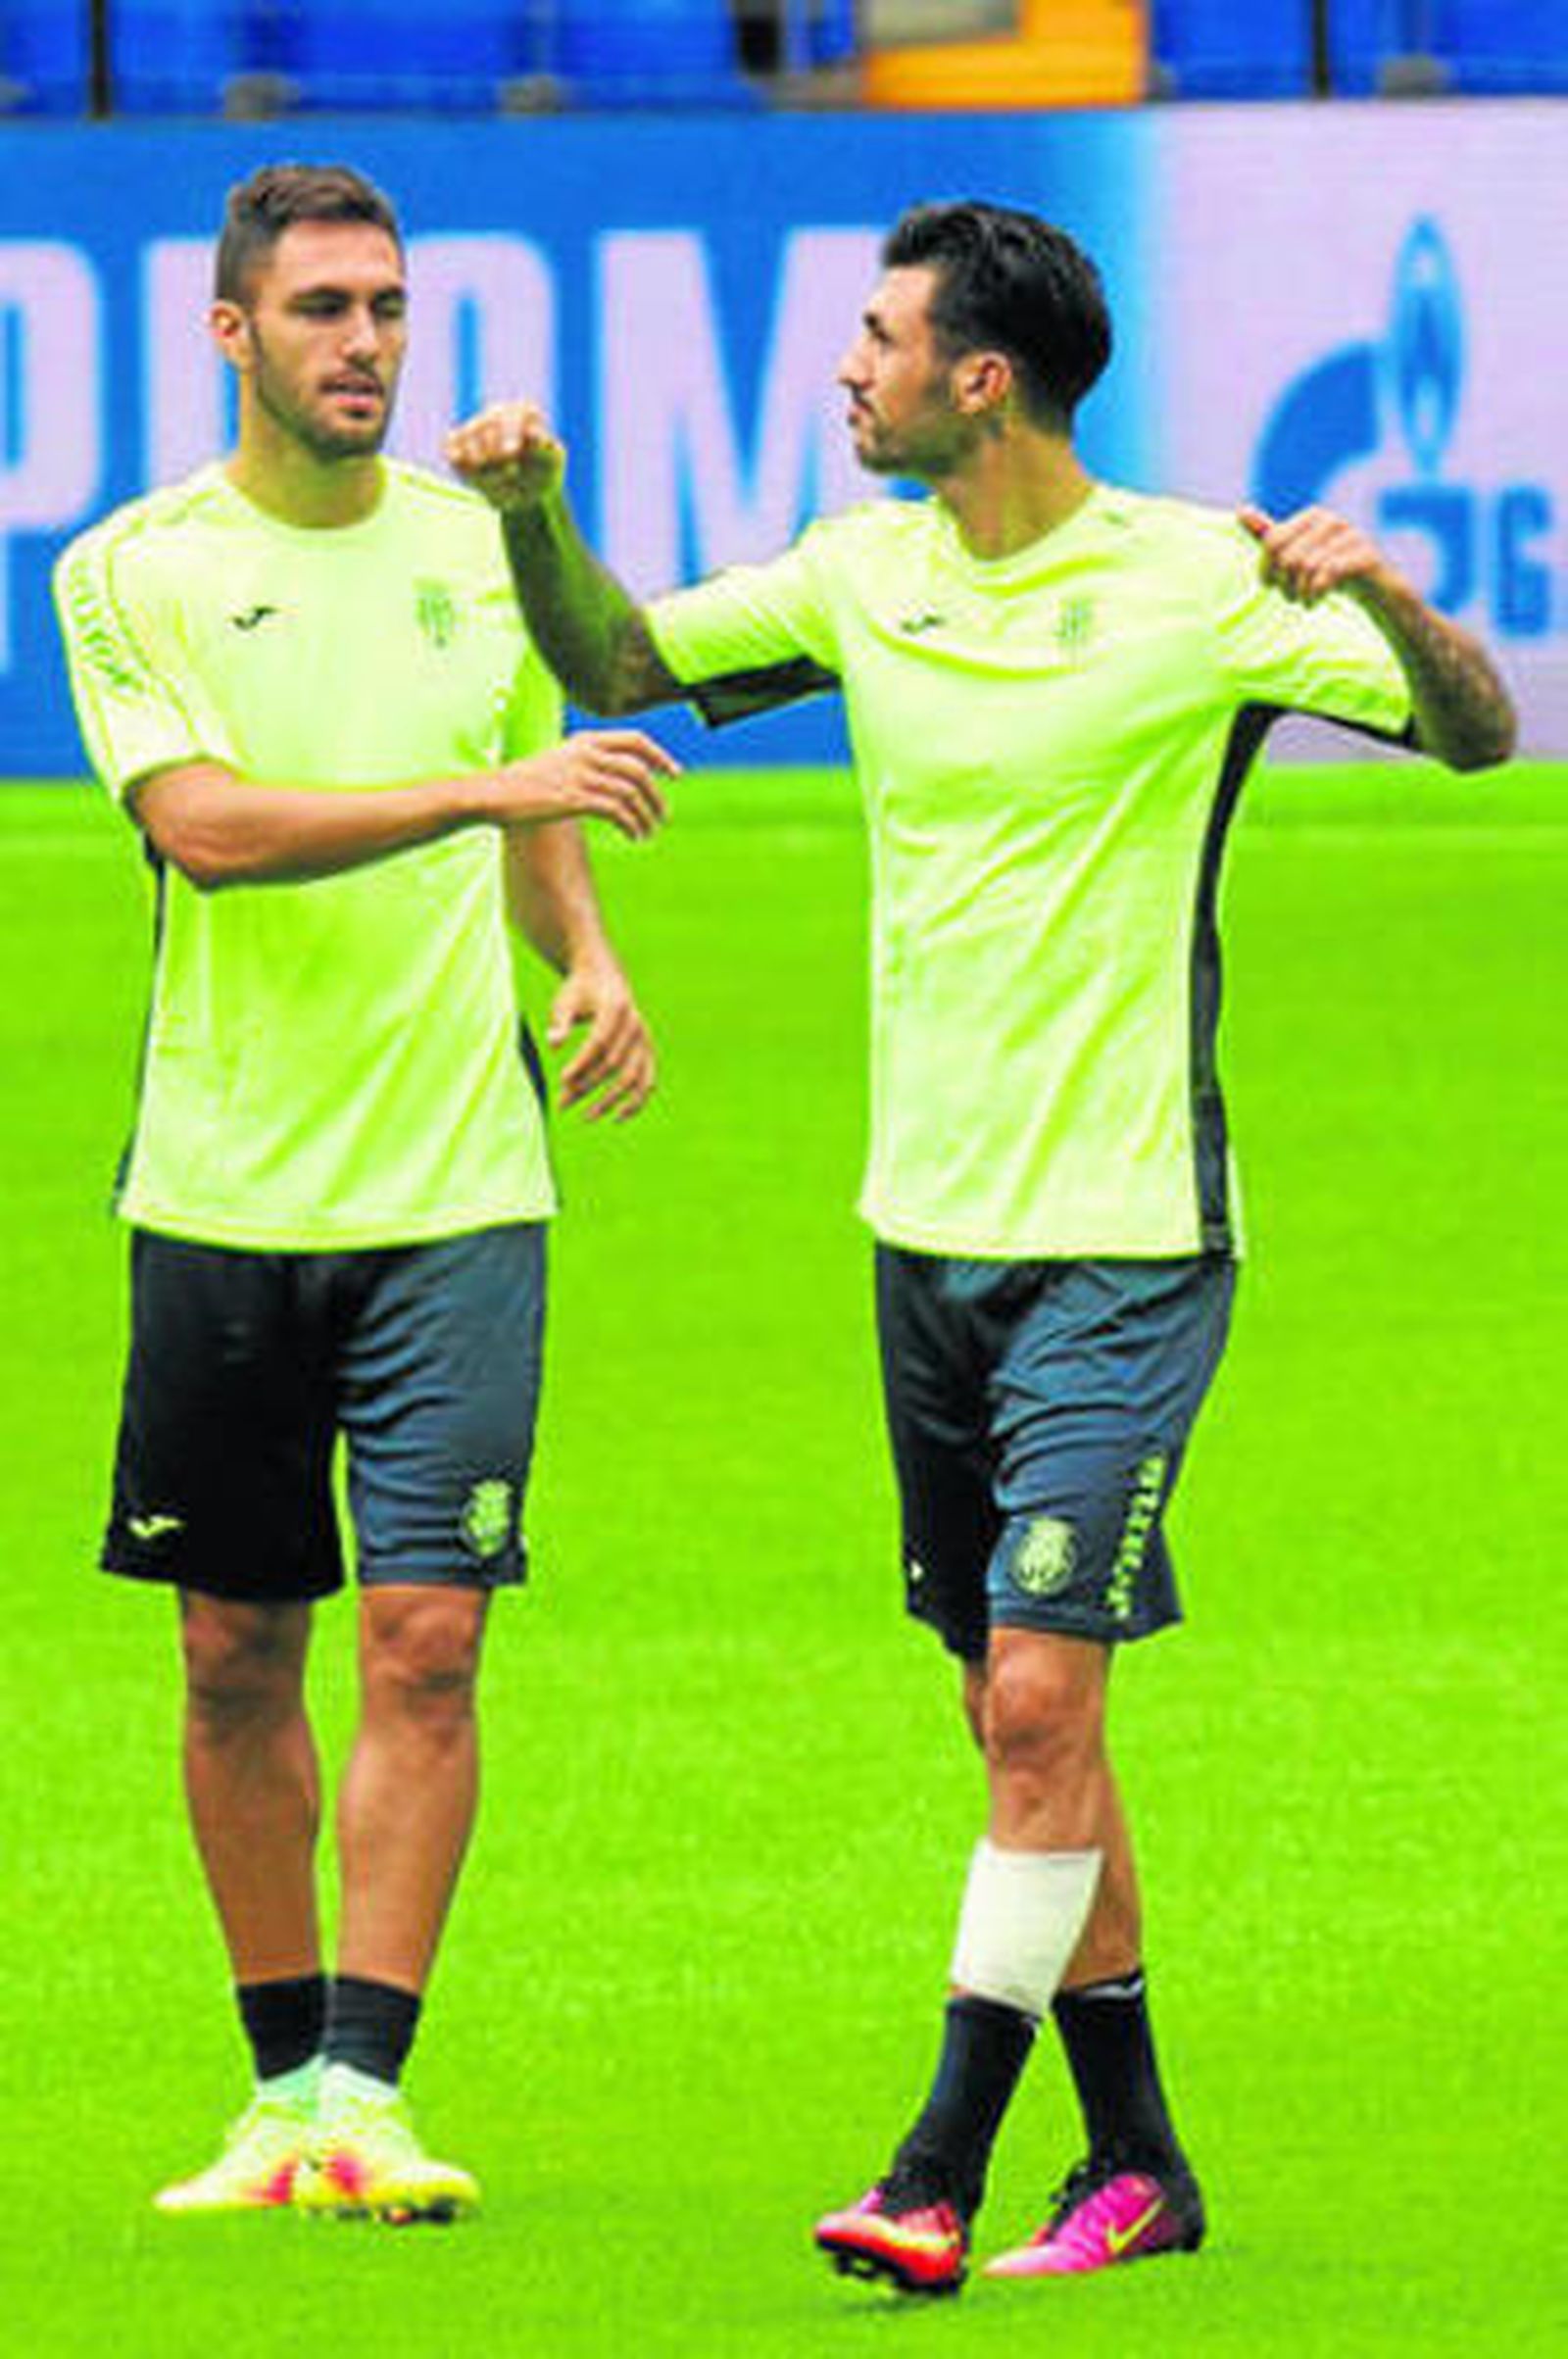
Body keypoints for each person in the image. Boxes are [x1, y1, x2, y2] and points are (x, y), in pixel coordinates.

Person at [446, 198, 1515, 2290]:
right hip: (917, 1240)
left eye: (875, 337)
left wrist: (1384, 590)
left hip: (1121, 1238)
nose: (843, 368)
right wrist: (529, 519)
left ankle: (933, 2162)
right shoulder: (860, 575)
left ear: (979, 379)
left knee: (1036, 1699)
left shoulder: (1195, 586)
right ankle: (1138, 2169)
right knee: (1024, 1726)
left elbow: (1472, 732)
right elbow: (615, 662)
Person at [53, 162, 676, 2225]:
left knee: (425, 1639)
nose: (366, 344)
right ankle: (269, 2084)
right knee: (236, 1645)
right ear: (231, 334)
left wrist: (574, 943)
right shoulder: (128, 569)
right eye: (322, 309)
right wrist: (493, 794)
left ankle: (364, 2088)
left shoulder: (478, 551)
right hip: (223, 1184)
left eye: (390, 307)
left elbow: (526, 776)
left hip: (455, 1187)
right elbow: (210, 832)